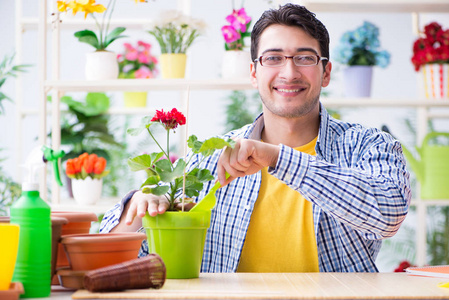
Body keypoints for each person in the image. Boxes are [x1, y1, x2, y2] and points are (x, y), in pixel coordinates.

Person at [100, 3, 411, 273]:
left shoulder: (369, 146)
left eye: (304, 58)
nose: (289, 73)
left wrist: (277, 158)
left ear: (325, 73)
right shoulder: (209, 160)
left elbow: (388, 214)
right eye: (273, 58)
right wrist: (136, 215)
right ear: (253, 73)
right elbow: (128, 260)